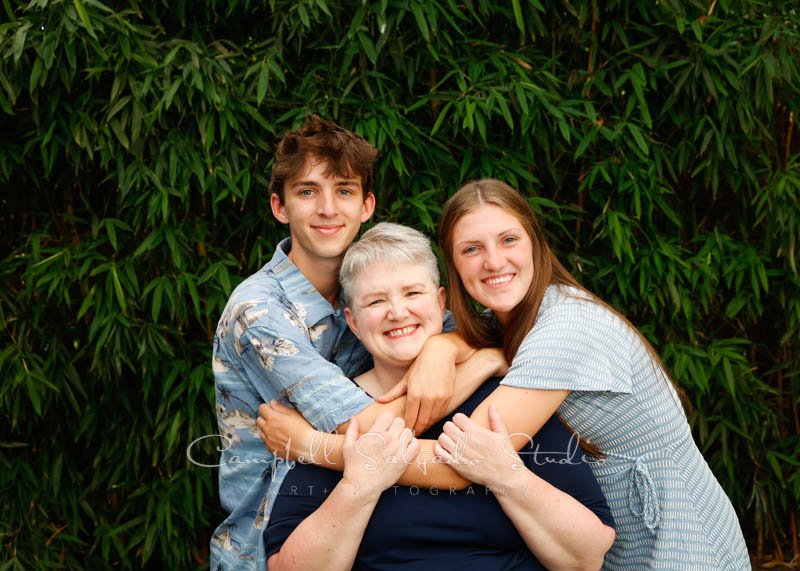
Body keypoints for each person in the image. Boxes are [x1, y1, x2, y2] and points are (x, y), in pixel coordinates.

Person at [211, 116, 485, 570]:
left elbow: (478, 337)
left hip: (361, 543)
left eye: (343, 190)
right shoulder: (259, 313)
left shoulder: (374, 291)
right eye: (307, 192)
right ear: (280, 207)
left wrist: (448, 350)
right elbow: (378, 436)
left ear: (366, 205)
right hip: (267, 550)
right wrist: (477, 364)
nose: (327, 209)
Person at [434, 179, 751, 570]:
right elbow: (467, 344)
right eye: (472, 249)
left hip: (680, 536)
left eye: (509, 240)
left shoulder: (568, 327)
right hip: (615, 541)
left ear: (535, 241)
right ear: (453, 262)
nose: (494, 261)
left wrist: (343, 452)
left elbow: (464, 455)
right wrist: (442, 347)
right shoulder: (509, 323)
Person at [261, 223, 616, 570]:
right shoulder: (336, 419)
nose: (397, 312)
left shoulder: (505, 400)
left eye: (413, 293)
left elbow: (586, 557)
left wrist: (508, 476)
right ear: (353, 322)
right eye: (376, 301)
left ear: (440, 300)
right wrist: (358, 486)